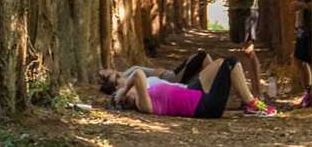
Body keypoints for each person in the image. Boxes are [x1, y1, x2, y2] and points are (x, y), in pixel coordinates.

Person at [102, 54, 276, 118]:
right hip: (206, 106)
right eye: (127, 99)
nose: (129, 94)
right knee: (231, 63)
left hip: (195, 93)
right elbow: (138, 75)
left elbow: (138, 75)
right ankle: (251, 103)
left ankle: (248, 102)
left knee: (219, 62)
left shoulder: (144, 93)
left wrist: (121, 91)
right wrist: (123, 91)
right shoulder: (143, 104)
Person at [288, 0, 312, 107]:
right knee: (299, 58)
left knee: (304, 57)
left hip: (308, 19)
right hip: (301, 19)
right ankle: (308, 90)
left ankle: (309, 91)